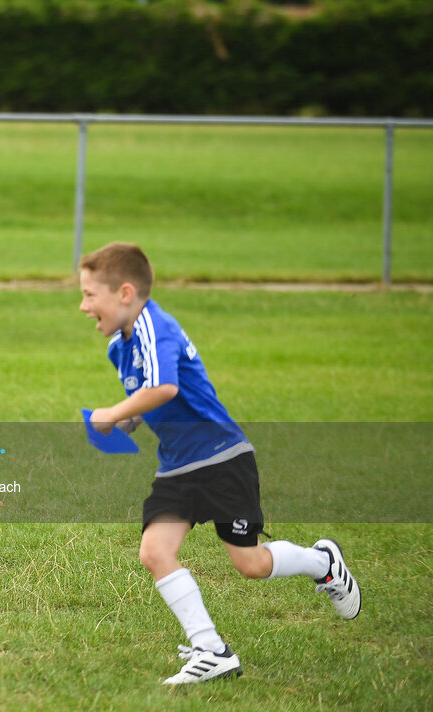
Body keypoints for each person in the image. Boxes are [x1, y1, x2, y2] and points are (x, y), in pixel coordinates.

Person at [78, 242, 360, 685]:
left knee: (250, 564)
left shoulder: (154, 326)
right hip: (177, 465)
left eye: (90, 295)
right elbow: (152, 398)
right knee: (154, 551)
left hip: (221, 458)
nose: (83, 306)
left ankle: (321, 563)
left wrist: (112, 412)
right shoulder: (121, 345)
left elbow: (165, 388)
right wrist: (127, 419)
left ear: (125, 293)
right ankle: (212, 650)